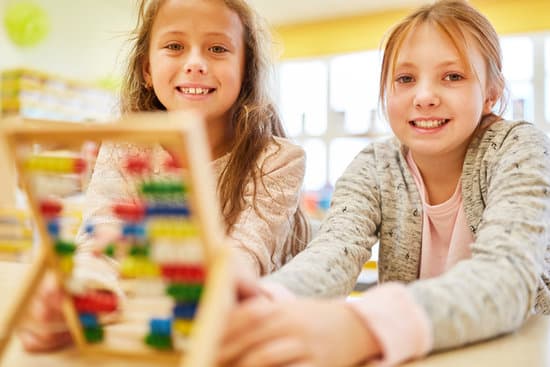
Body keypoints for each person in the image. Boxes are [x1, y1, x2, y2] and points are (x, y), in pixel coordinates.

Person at [218, 1, 550, 366]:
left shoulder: (517, 149)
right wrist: (267, 301)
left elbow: (506, 277)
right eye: (405, 79)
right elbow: (331, 255)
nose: (424, 97)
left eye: (453, 76)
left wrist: (365, 327)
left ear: (491, 93)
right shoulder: (374, 166)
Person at [19, 0, 309, 352]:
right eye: (174, 46)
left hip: (258, 325)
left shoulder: (278, 159)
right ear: (146, 69)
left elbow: (245, 256)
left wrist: (216, 294)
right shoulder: (125, 148)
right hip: (168, 321)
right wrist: (80, 292)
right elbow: (101, 240)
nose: (196, 64)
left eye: (218, 48)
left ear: (245, 70)